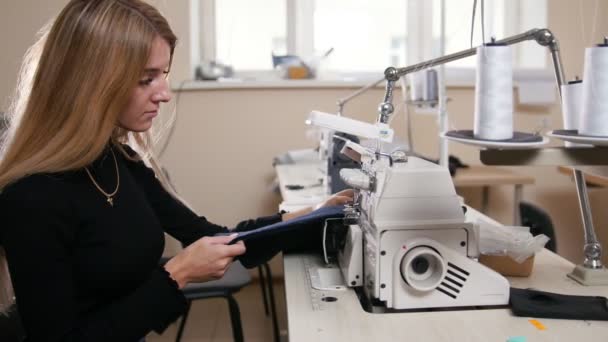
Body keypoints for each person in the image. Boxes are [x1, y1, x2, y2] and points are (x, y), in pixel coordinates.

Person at [0, 0, 353, 341]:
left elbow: (212, 237)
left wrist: (312, 216)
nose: (165, 94)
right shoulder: (30, 197)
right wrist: (178, 273)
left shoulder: (118, 161)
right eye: (145, 79)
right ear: (90, 83)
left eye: (163, 75)